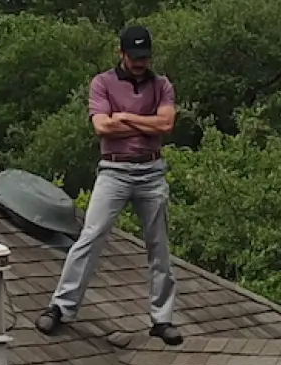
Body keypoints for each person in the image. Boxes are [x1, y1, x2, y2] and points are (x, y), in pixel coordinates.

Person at [36, 24, 182, 345]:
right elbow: (103, 127)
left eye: (145, 56)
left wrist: (125, 118)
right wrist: (146, 124)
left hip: (151, 171)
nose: (140, 62)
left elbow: (167, 124)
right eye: (134, 56)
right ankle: (61, 306)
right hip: (113, 172)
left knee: (159, 246)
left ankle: (162, 319)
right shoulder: (102, 83)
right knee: (90, 236)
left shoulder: (162, 85)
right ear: (121, 53)